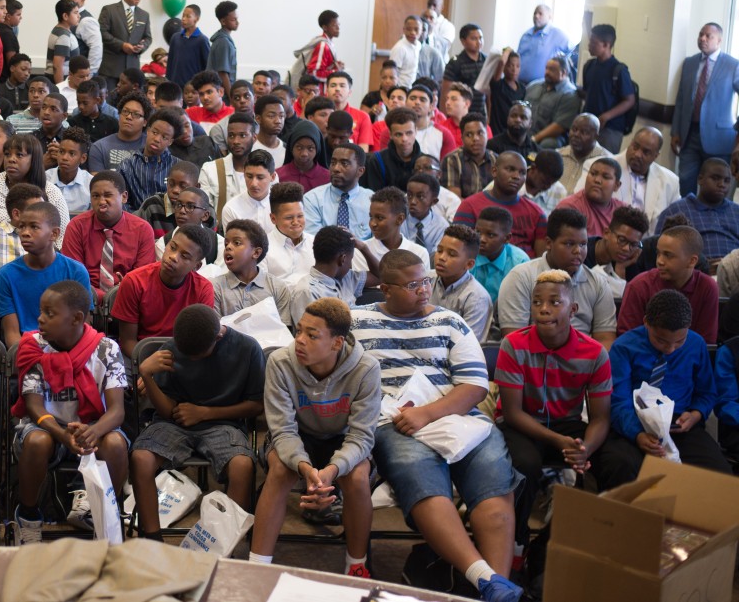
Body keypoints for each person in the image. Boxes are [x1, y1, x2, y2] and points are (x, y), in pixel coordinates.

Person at [350, 250, 523, 602]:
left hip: (456, 417)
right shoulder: (356, 322)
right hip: (393, 421)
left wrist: (428, 413)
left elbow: (474, 387)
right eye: (413, 284)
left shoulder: (450, 322)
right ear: (386, 288)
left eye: (426, 281)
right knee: (418, 471)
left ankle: (495, 587)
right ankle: (485, 579)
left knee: (492, 471)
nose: (424, 289)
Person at [250, 297, 377, 571]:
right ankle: (257, 567)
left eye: (312, 334)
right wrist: (304, 466)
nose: (300, 340)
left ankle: (357, 567)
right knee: (280, 472)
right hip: (298, 434)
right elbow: (282, 430)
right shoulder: (280, 362)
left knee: (356, 477)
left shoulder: (366, 368)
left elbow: (362, 437)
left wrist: (332, 470)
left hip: (341, 439)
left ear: (336, 343)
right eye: (298, 331)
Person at [495, 268, 611, 566]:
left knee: (618, 460)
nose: (543, 309)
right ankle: (517, 544)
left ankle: (581, 545)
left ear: (572, 309)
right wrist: (561, 442)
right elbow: (512, 412)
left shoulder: (595, 353)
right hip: (520, 422)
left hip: (565, 422)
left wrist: (585, 448)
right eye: (536, 302)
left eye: (554, 302)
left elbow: (600, 418)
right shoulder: (514, 345)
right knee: (525, 463)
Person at [132, 304, 263, 539]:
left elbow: (257, 405)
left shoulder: (247, 348)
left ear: (219, 335)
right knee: (141, 457)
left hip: (223, 422)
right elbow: (167, 411)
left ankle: (225, 543)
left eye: (198, 355)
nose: (191, 359)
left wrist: (205, 413)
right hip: (173, 422)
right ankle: (151, 537)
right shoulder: (173, 347)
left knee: (242, 466)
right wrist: (146, 375)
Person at [11, 279, 127, 541]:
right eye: (41, 311)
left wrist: (93, 431)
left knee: (116, 443)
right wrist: (63, 435)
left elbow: (117, 411)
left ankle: (106, 519)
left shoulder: (107, 349)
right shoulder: (33, 346)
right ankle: (28, 518)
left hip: (94, 425)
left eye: (49, 314)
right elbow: (33, 406)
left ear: (76, 318)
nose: (40, 319)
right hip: (48, 426)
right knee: (38, 440)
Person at [593, 290, 731, 489]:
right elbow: (617, 401)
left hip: (679, 423)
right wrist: (638, 434)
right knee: (620, 465)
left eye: (679, 341)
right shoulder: (624, 347)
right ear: (647, 322)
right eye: (661, 340)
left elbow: (707, 392)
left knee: (719, 474)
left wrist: (695, 414)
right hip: (633, 423)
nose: (671, 349)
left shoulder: (695, 344)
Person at [498, 208, 619, 348]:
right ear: (549, 243)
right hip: (532, 362)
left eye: (583, 244)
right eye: (569, 244)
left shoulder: (598, 283)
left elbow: (606, 340)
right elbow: (514, 340)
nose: (577, 251)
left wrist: (582, 365)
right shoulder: (520, 277)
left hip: (582, 362)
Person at [0, 202, 92, 348]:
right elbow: (12, 333)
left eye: (34, 227)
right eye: (21, 226)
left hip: (69, 348)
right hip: (27, 348)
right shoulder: (6, 274)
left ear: (54, 234)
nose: (25, 233)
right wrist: (32, 358)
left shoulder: (76, 271)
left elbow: (83, 326)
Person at [114, 225, 215, 357]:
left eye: (184, 256)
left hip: (184, 357)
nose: (173, 257)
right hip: (139, 354)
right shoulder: (134, 281)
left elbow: (200, 344)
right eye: (172, 247)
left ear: (196, 266)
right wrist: (149, 366)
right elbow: (128, 341)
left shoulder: (203, 289)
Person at [61, 170, 156, 304]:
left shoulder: (142, 229)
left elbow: (143, 277)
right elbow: (72, 274)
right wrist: (99, 295)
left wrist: (122, 291)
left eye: (108, 195)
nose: (101, 201)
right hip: (85, 296)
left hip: (127, 296)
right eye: (95, 196)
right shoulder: (77, 226)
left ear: (124, 197)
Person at [0, 133, 70, 246]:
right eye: (7, 154)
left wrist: (45, 259)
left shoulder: (52, 192)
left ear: (34, 159)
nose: (11, 159)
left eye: (19, 155)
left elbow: (62, 237)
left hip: (38, 260)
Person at [670, 23, 739, 197]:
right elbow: (681, 98)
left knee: (718, 187)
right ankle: (686, 222)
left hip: (720, 138)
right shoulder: (690, 62)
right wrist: (675, 131)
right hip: (689, 134)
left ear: (719, 40)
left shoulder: (733, 65)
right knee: (685, 181)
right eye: (701, 34)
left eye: (709, 36)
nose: (702, 39)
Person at [618, 226, 719, 343]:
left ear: (692, 261)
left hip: (689, 358)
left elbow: (706, 342)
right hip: (642, 358)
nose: (659, 261)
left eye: (668, 255)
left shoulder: (707, 287)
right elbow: (627, 340)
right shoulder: (639, 286)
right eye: (658, 253)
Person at [454, 152, 547, 257]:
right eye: (510, 170)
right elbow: (457, 249)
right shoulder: (469, 206)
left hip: (526, 269)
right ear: (494, 171)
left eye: (522, 172)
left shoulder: (537, 213)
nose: (516, 176)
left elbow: (541, 259)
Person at [655, 158, 739, 264]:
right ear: (700, 179)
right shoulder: (676, 210)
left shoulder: (736, 212)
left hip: (734, 272)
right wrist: (701, 266)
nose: (722, 184)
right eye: (715, 178)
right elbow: (660, 251)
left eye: (726, 180)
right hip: (693, 273)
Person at [286, 226, 372, 319]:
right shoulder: (308, 292)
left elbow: (380, 277)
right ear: (342, 259)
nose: (350, 265)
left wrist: (364, 247)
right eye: (350, 259)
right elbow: (308, 331)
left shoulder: (346, 277)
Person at [431, 224, 493, 342]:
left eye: (452, 254)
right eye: (439, 250)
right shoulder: (424, 279)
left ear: (469, 264)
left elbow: (468, 345)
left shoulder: (477, 297)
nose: (441, 257)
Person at [579, 24, 635, 153]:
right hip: (589, 125)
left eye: (593, 42)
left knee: (605, 162)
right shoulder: (589, 65)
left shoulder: (619, 70)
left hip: (610, 128)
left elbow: (629, 100)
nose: (589, 45)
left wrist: (606, 116)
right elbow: (588, 93)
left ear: (606, 45)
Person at [304, 143, 373, 238]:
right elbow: (313, 240)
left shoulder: (372, 201)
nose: (336, 168)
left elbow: (377, 243)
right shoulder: (312, 199)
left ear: (360, 171)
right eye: (333, 163)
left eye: (344, 164)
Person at [119, 108, 179, 213]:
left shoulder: (178, 166)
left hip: (168, 224)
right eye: (154, 132)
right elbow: (121, 200)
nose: (157, 139)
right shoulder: (127, 165)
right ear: (148, 131)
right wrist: (137, 220)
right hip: (135, 223)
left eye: (164, 137)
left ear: (170, 141)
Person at [201, 112, 259, 220]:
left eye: (242, 135)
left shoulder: (264, 172)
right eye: (231, 135)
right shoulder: (210, 169)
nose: (236, 141)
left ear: (254, 138)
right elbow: (204, 210)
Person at [357, 186, 429, 273]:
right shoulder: (361, 251)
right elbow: (363, 284)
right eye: (371, 217)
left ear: (399, 219)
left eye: (380, 218)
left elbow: (420, 285)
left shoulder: (419, 252)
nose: (373, 224)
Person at [98, 0, 153, 93]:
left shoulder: (144, 15)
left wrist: (142, 47)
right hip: (111, 69)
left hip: (132, 71)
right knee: (110, 104)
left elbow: (148, 37)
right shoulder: (109, 10)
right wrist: (121, 45)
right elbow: (102, 33)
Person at [583, 205, 648, 298]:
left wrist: (620, 269)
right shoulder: (581, 252)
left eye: (633, 244)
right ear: (606, 233)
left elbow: (626, 302)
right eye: (622, 240)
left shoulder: (631, 261)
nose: (626, 248)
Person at [472, 207, 535, 301]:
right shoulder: (467, 254)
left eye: (491, 235)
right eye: (478, 232)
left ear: (507, 238)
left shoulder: (520, 262)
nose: (482, 239)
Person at [556, 156, 625, 237]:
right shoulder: (569, 207)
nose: (597, 180)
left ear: (616, 185)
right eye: (593, 174)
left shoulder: (622, 211)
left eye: (605, 177)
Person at [524, 55, 581, 148]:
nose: (547, 72)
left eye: (552, 70)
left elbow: (559, 126)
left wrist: (535, 138)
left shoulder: (570, 94)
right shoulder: (533, 86)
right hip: (527, 131)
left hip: (548, 137)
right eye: (546, 68)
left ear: (564, 73)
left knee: (549, 143)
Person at [361, 108, 420, 192]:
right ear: (390, 134)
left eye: (409, 133)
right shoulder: (377, 160)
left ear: (416, 131)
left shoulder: (424, 161)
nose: (404, 139)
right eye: (398, 134)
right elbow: (373, 196)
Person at [220, 149, 277, 234]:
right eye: (249, 176)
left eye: (260, 177)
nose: (254, 184)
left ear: (272, 177)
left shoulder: (283, 207)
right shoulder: (231, 209)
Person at [441, 112, 495, 199]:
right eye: (469, 135)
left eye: (480, 133)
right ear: (462, 138)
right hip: (462, 211)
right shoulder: (452, 160)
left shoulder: (496, 160)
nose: (475, 138)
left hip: (492, 210)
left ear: (487, 135)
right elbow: (454, 200)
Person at [264, 182, 314, 276]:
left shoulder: (316, 243)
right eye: (289, 218)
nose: (295, 222)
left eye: (300, 216)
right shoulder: (263, 248)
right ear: (273, 219)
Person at [441, 23, 488, 117]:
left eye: (481, 38)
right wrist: (444, 117)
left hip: (480, 113)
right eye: (474, 38)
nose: (479, 42)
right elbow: (445, 92)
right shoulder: (455, 62)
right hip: (460, 113)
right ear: (463, 41)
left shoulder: (486, 60)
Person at [517, 5, 570, 85]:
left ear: (549, 16)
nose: (536, 16)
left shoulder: (556, 34)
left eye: (540, 14)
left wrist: (561, 64)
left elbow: (573, 51)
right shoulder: (526, 35)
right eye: (535, 13)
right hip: (520, 84)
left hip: (541, 87)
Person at [557, 113, 609, 194]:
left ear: (596, 136)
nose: (576, 135)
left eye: (584, 132)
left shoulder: (606, 162)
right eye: (574, 129)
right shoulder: (558, 155)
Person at [47, 127, 92, 215]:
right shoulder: (44, 179)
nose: (64, 158)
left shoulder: (90, 183)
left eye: (71, 154)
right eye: (61, 151)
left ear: (83, 158)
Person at [166, 5, 211, 87]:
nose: (183, 19)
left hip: (193, 88)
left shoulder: (202, 40)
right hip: (175, 87)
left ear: (196, 19)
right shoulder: (175, 38)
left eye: (188, 16)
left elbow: (207, 66)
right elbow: (170, 63)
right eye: (183, 15)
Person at [406, 173, 451, 255]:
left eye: (420, 197)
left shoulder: (441, 226)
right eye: (409, 195)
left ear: (433, 201)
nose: (412, 201)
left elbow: (436, 256)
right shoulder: (398, 220)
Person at [278, 120, 329, 192]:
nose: (304, 153)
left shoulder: (328, 179)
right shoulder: (277, 176)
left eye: (310, 148)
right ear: (291, 148)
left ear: (317, 150)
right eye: (299, 147)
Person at [487, 49, 526, 137]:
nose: (514, 69)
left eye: (517, 66)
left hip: (513, 132)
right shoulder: (498, 85)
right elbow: (501, 61)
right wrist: (508, 50)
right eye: (510, 65)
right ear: (504, 67)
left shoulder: (522, 88)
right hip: (498, 131)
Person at [66, 0, 99, 74]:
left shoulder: (87, 20)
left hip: (81, 75)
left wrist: (89, 74)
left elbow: (96, 49)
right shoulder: (68, 17)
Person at [206, 1, 238, 91]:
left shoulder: (223, 39)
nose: (237, 22)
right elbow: (222, 73)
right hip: (221, 93)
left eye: (237, 19)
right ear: (223, 21)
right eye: (233, 20)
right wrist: (231, 96)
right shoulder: (223, 42)